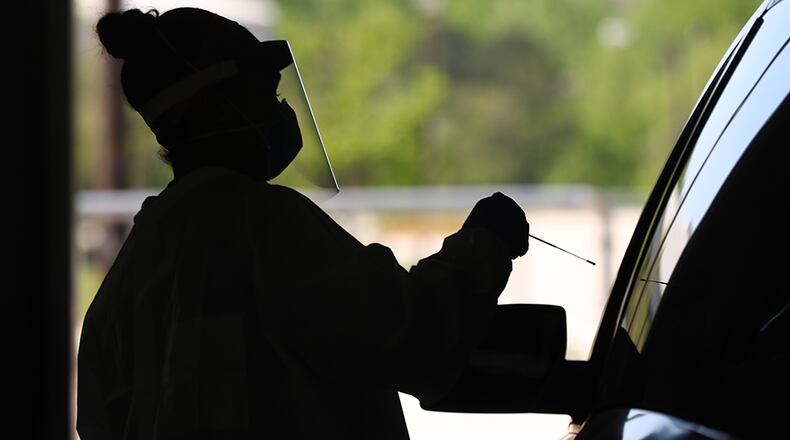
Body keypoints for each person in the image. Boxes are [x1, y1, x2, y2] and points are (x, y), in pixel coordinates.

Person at [76, 7, 530, 440]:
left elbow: (101, 419)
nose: (277, 110)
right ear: (213, 108)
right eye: (263, 93)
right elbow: (405, 332)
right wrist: (484, 246)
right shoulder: (263, 223)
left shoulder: (138, 260)